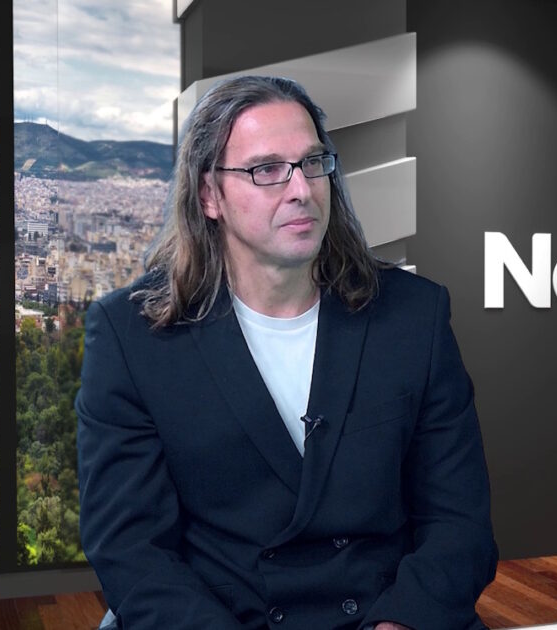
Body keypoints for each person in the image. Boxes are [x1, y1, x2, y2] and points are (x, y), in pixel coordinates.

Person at [76, 75, 498, 630]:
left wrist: (400, 624)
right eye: (267, 170)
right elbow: (131, 550)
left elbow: (459, 523)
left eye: (313, 162)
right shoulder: (130, 336)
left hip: (384, 615)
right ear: (209, 196)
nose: (301, 189)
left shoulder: (414, 316)